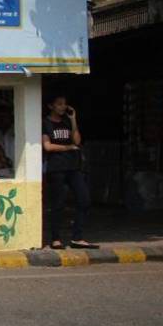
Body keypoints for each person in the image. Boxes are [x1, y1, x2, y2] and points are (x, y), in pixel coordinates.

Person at [42, 95, 96, 249]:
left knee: (84, 199)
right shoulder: (45, 123)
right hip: (56, 167)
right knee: (58, 203)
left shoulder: (67, 122)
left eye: (64, 104)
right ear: (50, 106)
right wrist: (68, 147)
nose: (63, 107)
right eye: (59, 104)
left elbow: (77, 141)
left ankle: (77, 237)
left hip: (73, 167)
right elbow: (48, 146)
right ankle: (55, 238)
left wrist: (73, 119)